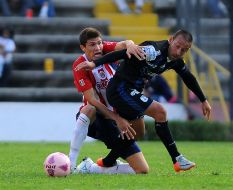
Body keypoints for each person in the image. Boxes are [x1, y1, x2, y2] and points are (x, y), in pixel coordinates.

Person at [76, 29, 212, 172]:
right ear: (171, 40)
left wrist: (203, 100)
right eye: (177, 46)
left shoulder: (175, 60)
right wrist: (94, 64)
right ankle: (177, 159)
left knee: (138, 132)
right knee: (160, 112)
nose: (178, 52)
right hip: (120, 90)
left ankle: (106, 161)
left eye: (184, 50)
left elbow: (188, 77)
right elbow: (123, 54)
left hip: (131, 92)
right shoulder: (153, 50)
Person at [70, 27, 149, 174]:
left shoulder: (105, 49)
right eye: (92, 44)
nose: (98, 47)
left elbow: (125, 43)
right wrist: (117, 118)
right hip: (97, 120)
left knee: (141, 170)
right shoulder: (80, 65)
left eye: (100, 43)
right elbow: (92, 100)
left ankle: (91, 168)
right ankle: (71, 162)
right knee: (89, 108)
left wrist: (131, 44)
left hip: (116, 121)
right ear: (83, 47)